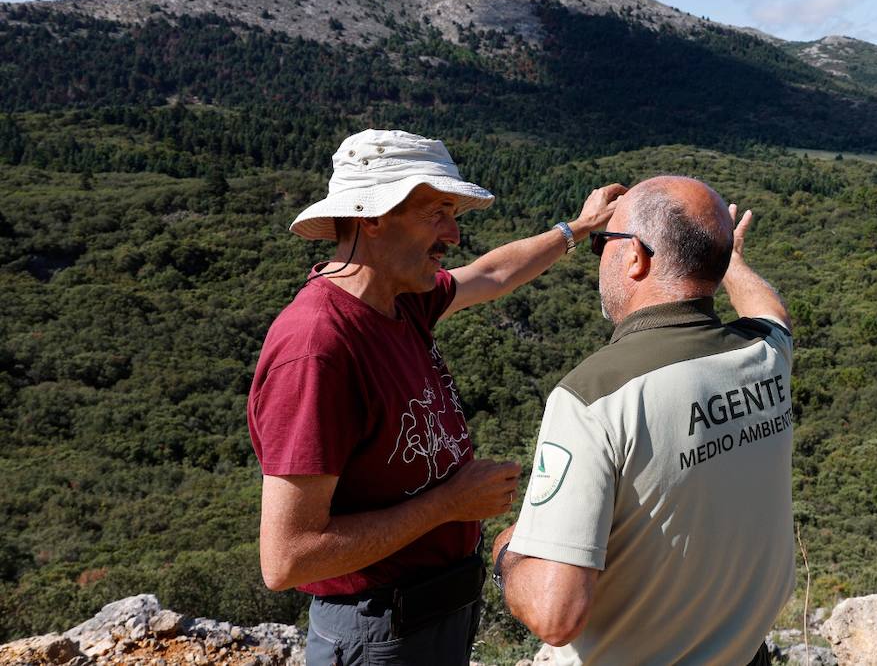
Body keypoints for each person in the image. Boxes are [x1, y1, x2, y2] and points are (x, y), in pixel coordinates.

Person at [247, 128, 624, 666]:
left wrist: (577, 229)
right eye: (436, 213)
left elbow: (493, 273)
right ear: (371, 216)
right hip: (376, 633)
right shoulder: (317, 348)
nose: (453, 233)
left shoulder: (402, 302)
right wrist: (449, 504)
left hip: (427, 619)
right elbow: (287, 558)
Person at [490, 175, 795, 666]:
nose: (600, 258)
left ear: (635, 256)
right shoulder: (766, 354)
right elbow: (769, 308)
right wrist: (729, 262)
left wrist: (509, 556)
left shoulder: (592, 398)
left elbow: (555, 615)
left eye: (602, 243)